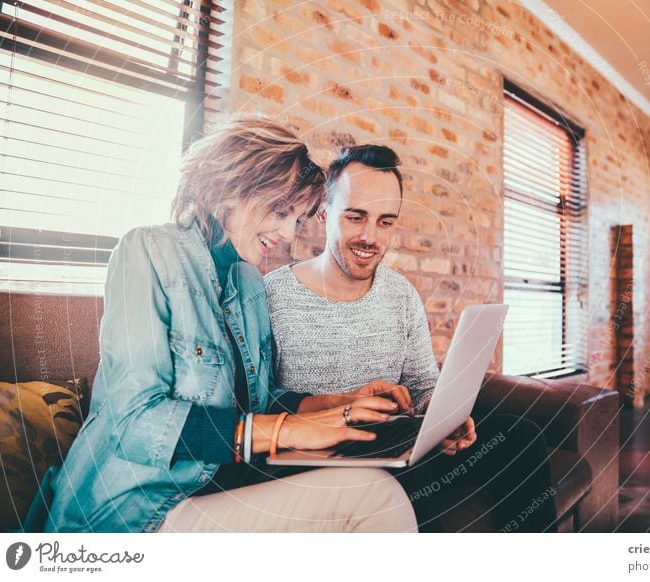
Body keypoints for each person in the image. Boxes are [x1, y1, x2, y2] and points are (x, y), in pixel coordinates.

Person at [30, 119, 417, 533]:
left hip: (213, 496)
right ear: (232, 187)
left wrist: (339, 403)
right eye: (280, 210)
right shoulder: (147, 251)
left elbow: (259, 402)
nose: (288, 233)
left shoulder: (247, 282)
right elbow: (134, 423)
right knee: (372, 497)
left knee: (372, 485)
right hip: (134, 512)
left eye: (298, 219)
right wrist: (288, 431)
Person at [264, 144, 558, 532]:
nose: (370, 237)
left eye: (385, 222)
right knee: (403, 481)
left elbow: (422, 383)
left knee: (519, 435)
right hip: (326, 454)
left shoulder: (400, 293)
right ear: (323, 213)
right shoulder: (272, 296)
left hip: (395, 440)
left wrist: (442, 414)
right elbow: (258, 402)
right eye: (356, 217)